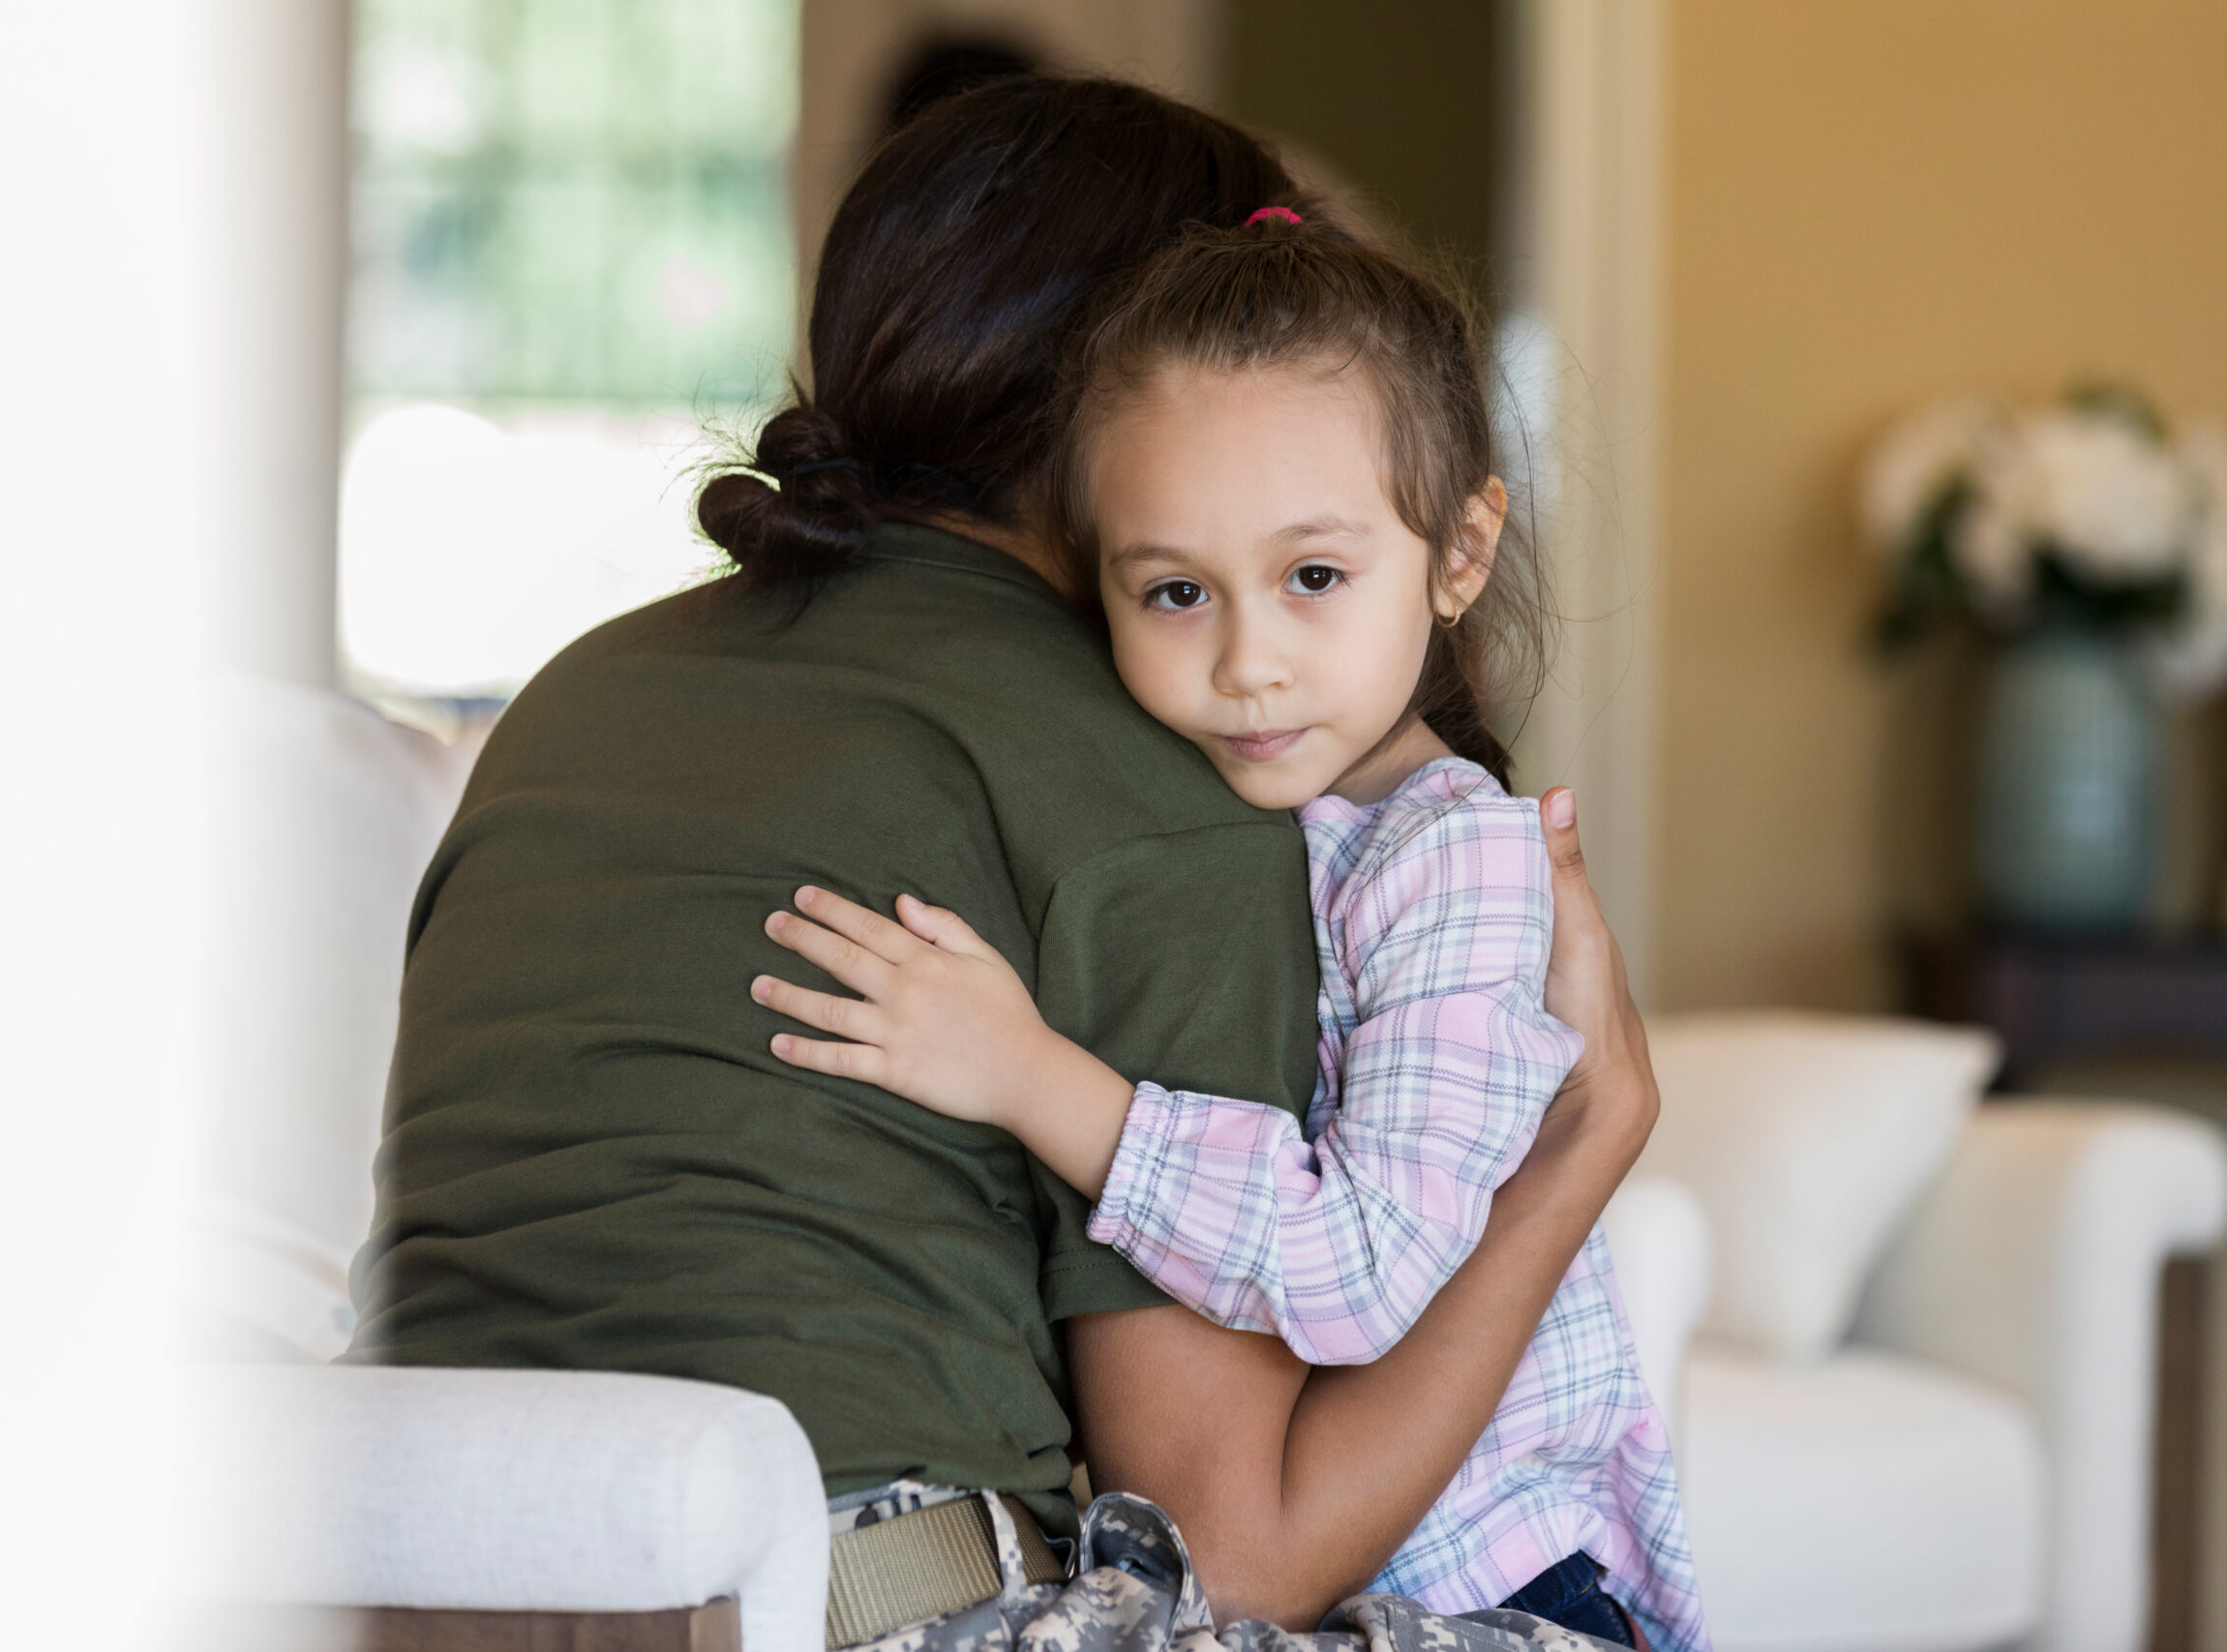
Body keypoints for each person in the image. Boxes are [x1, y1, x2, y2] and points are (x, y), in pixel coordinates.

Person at [348, 75, 1664, 1651]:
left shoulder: (576, 695)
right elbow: (1241, 1556)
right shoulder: (1154, 788)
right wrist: (1583, 1144)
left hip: (404, 1595)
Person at [749, 219, 1703, 1651]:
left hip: (1503, 1594)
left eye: (1314, 577)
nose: (1247, 663)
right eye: (1176, 591)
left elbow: (1366, 1275)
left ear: (1460, 551)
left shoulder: (1452, 863)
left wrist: (1028, 1078)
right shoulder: (1253, 818)